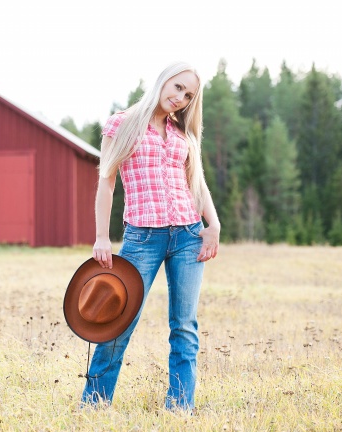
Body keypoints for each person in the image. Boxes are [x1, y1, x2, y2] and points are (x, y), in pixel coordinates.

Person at [83, 61, 221, 411]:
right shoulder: (122, 123)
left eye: (189, 95)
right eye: (178, 87)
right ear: (163, 80)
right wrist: (102, 236)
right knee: (120, 319)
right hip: (142, 236)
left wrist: (213, 225)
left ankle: (179, 409)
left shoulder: (182, 134)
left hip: (189, 235)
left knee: (185, 327)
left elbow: (197, 182)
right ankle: (95, 405)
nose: (181, 97)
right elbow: (107, 181)